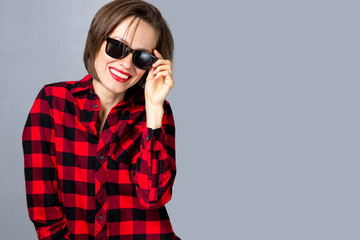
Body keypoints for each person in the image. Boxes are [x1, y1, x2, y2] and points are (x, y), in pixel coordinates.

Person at [22, 0, 180, 239]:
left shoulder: (157, 112)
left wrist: (154, 109)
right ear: (97, 40)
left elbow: (153, 196)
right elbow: (44, 211)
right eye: (117, 47)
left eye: (142, 58)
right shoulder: (52, 103)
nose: (126, 64)